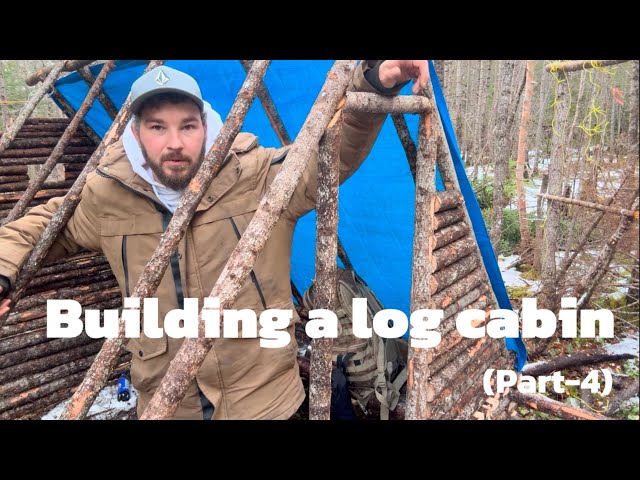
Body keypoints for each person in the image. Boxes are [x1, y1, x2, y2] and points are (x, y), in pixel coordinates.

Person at [0, 60, 429, 420]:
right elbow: (37, 226)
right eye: (157, 127)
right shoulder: (107, 193)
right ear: (134, 132)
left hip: (265, 402)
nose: (174, 143)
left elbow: (331, 155)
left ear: (206, 124)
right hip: (167, 405)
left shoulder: (257, 175)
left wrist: (373, 81)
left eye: (187, 126)